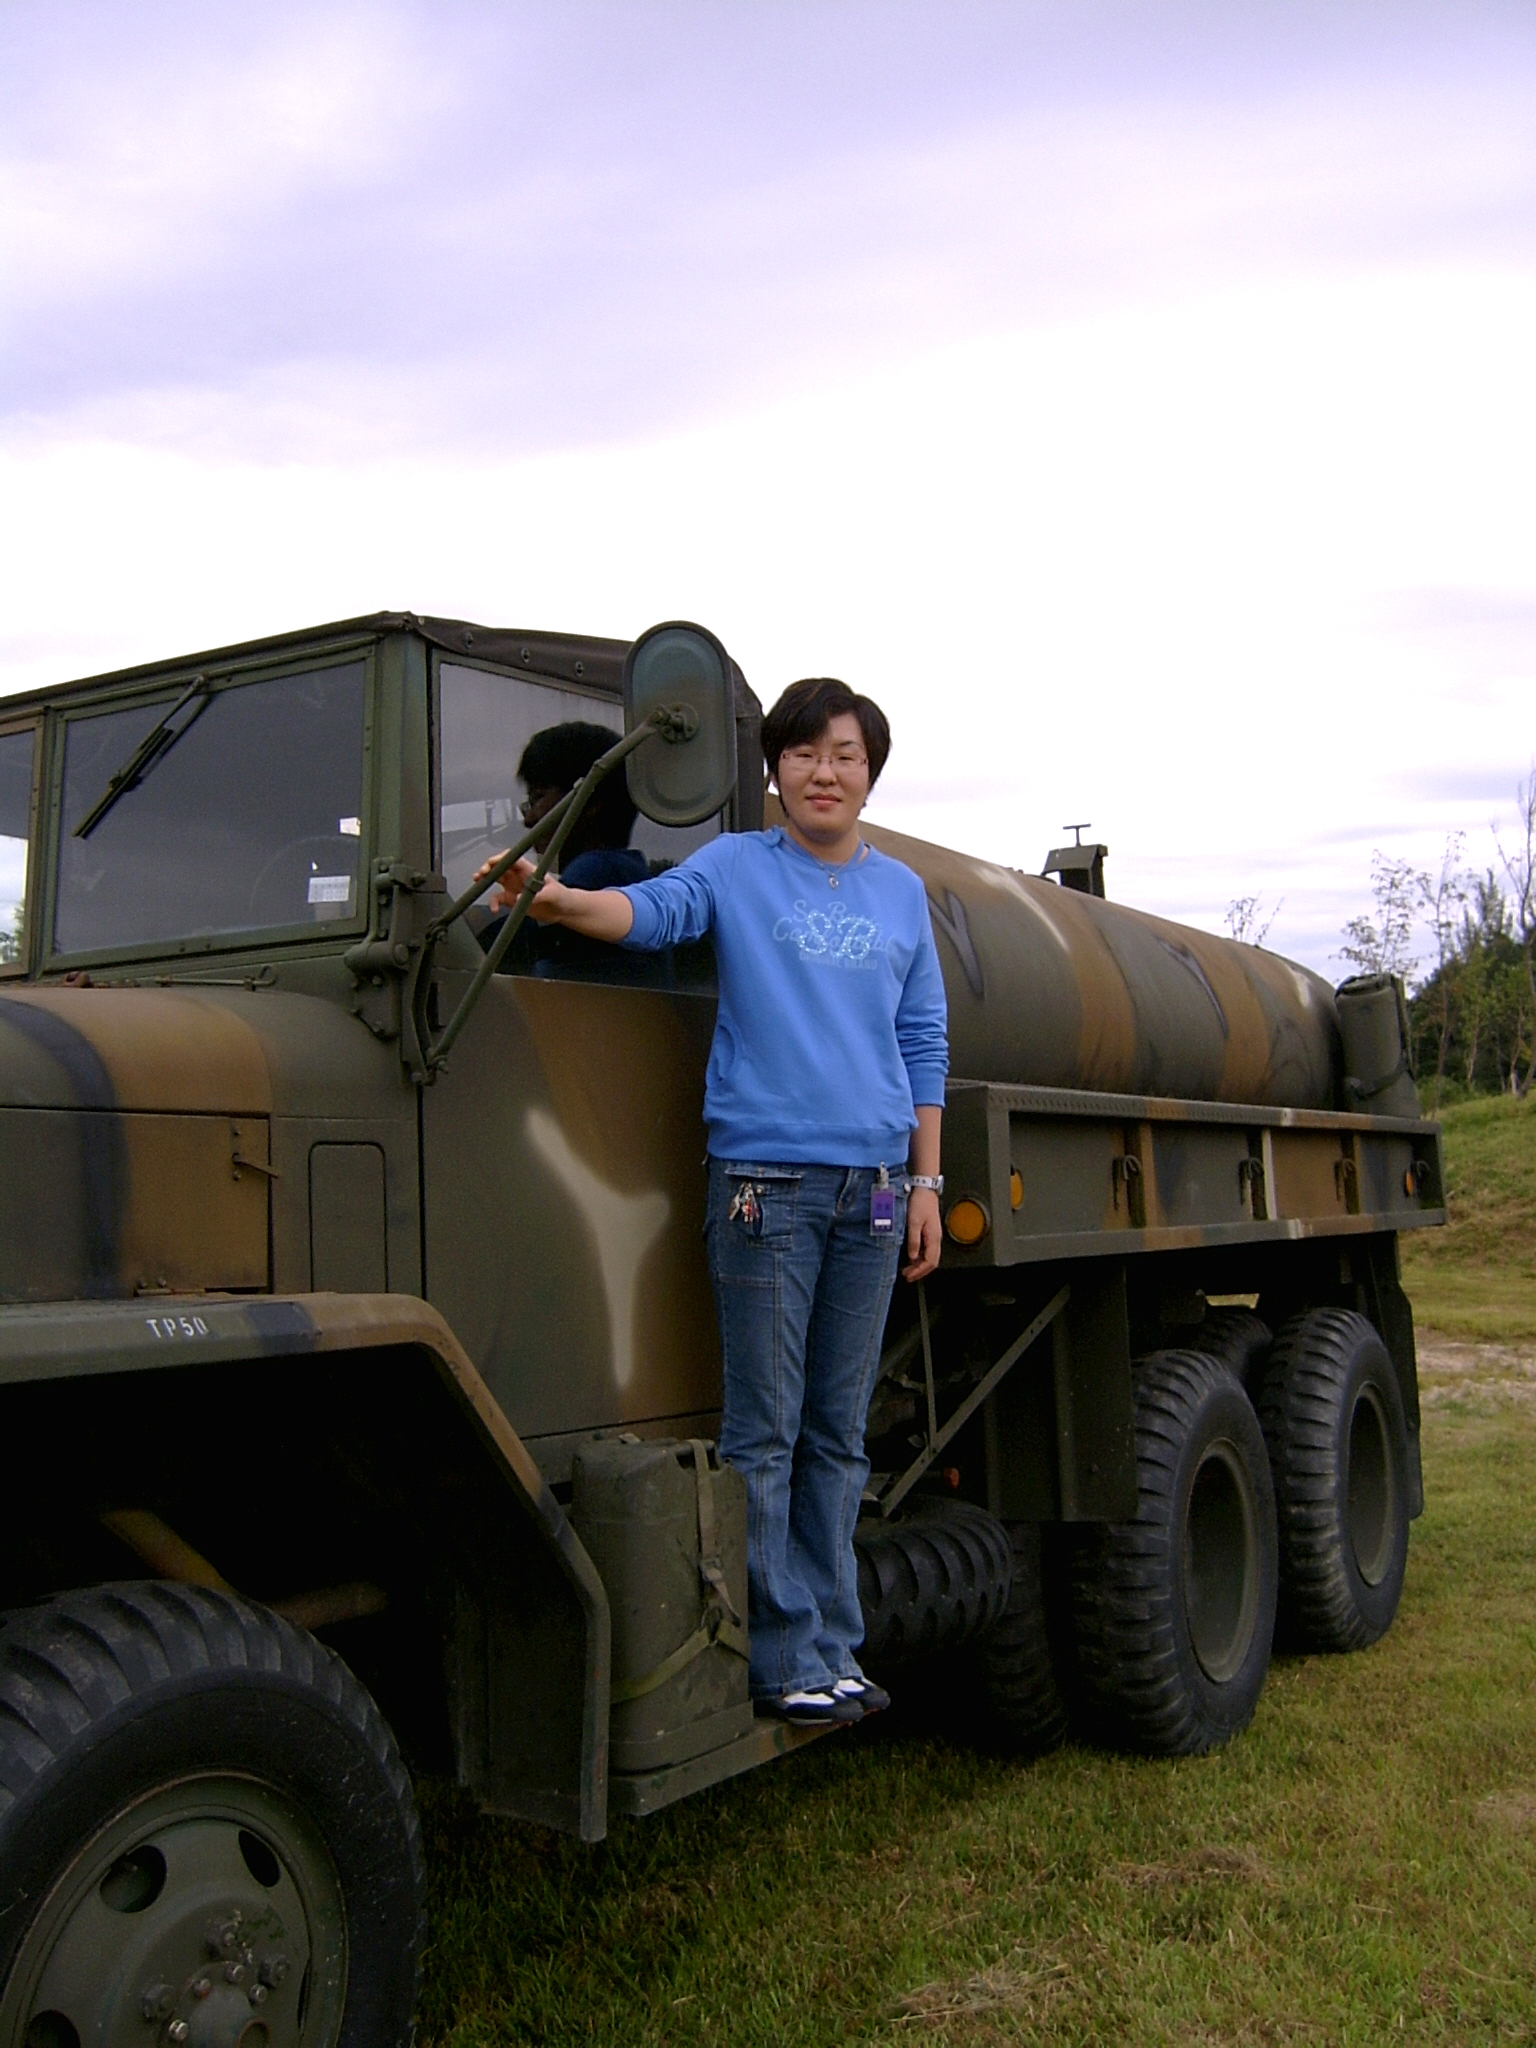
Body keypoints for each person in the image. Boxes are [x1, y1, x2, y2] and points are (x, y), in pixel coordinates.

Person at [489, 678, 948, 1725]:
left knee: (839, 1433)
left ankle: (832, 1642)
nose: (824, 772)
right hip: (767, 1187)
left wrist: (925, 1180)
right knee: (767, 1430)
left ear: (870, 773)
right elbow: (651, 916)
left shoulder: (901, 893)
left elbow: (923, 1038)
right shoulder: (737, 866)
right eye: (804, 754)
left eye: (845, 755)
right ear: (775, 770)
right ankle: (780, 1653)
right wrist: (556, 901)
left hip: (876, 1190)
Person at [473, 721, 652, 977]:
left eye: (538, 797)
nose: (528, 819)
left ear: (590, 801)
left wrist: (469, 926)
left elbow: (509, 946)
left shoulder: (597, 869)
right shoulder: (629, 872)